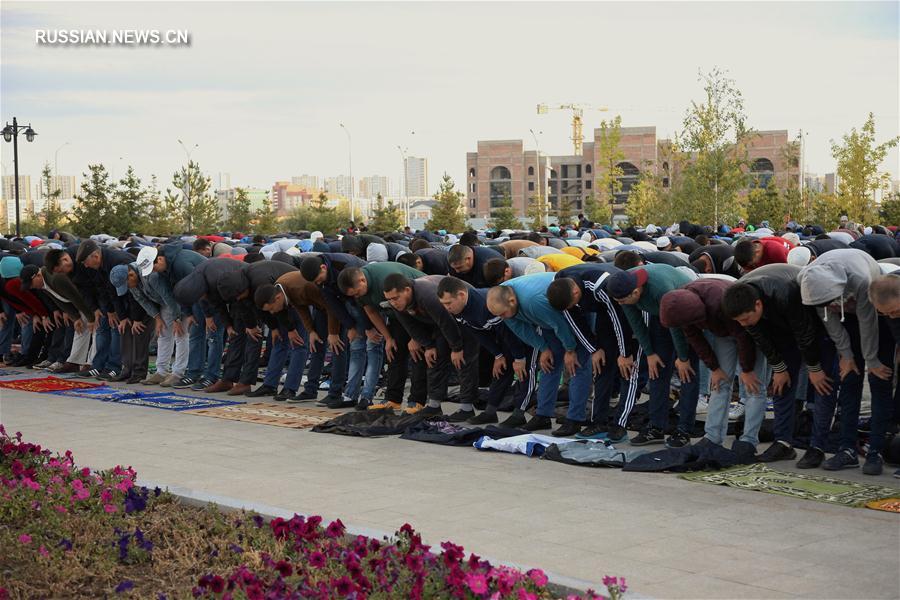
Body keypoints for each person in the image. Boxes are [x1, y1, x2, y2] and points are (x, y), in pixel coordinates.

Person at [797, 249, 893, 475]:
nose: (827, 305)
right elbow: (828, 319)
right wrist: (847, 356)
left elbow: (868, 323)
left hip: (877, 312)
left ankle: (875, 451)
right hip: (846, 317)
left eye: (829, 300)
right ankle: (847, 449)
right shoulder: (807, 279)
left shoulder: (860, 279)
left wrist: (872, 360)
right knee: (849, 379)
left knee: (879, 380)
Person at [721, 264, 827, 463]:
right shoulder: (740, 300)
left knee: (821, 382)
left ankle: (817, 446)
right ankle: (783, 443)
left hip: (813, 320)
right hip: (779, 325)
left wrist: (814, 367)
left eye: (745, 319)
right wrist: (778, 367)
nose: (743, 325)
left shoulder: (786, 292)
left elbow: (805, 333)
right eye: (739, 321)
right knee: (781, 384)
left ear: (759, 305)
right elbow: (759, 336)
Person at [659, 279, 768, 455]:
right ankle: (712, 437)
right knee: (719, 384)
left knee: (754, 386)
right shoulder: (682, 307)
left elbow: (743, 336)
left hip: (747, 329)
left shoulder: (719, 302)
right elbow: (696, 339)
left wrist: (746, 370)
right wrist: (714, 368)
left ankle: (749, 440)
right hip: (722, 333)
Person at [486, 272, 592, 436]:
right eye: (498, 315)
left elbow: (561, 325)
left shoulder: (533, 301)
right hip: (548, 321)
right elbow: (522, 331)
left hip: (572, 315)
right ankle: (543, 415)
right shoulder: (503, 304)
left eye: (503, 314)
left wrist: (570, 350)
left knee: (576, 366)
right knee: (548, 365)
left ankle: (575, 419)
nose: (502, 318)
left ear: (513, 301)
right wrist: (543, 348)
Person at [546, 263, 641, 442]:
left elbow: (619, 320)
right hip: (604, 312)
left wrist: (625, 352)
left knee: (627, 369)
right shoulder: (560, 286)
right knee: (602, 365)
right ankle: (599, 422)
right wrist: (594, 349)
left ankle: (620, 425)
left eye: (573, 304)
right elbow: (576, 323)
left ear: (576, 293)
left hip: (625, 306)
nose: (572, 308)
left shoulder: (600, 286)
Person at [607, 263, 699, 447]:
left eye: (622, 301)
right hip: (661, 315)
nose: (620, 304)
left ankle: (684, 430)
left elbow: (675, 326)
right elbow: (637, 324)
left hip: (686, 313)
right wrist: (649, 353)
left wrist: (682, 358)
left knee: (687, 373)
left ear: (636, 292)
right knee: (656, 369)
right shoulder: (624, 289)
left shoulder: (660, 289)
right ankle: (656, 427)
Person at [436, 276, 534, 425]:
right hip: (502, 338)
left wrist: (519, 358)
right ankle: (490, 411)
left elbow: (508, 333)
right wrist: (498, 355)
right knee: (501, 370)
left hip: (523, 336)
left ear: (461, 295)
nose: (446, 308)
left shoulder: (484, 304)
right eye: (443, 304)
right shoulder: (459, 309)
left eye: (449, 303)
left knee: (524, 372)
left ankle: (519, 414)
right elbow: (477, 332)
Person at [382, 273, 478, 419]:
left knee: (463, 360)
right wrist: (428, 345)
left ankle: (467, 408)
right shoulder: (396, 304)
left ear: (407, 290)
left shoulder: (427, 296)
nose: (393, 303)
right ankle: (434, 405)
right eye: (389, 299)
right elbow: (411, 327)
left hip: (462, 312)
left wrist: (456, 348)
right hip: (439, 322)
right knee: (434, 358)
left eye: (396, 298)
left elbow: (448, 322)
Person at [338, 262, 425, 412]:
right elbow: (371, 312)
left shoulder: (384, 279)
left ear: (362, 281)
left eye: (357, 293)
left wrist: (416, 337)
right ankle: (393, 399)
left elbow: (409, 305)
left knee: (416, 353)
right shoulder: (359, 291)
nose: (356, 297)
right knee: (394, 352)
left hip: (419, 312)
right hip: (398, 315)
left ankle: (417, 401)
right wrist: (388, 338)